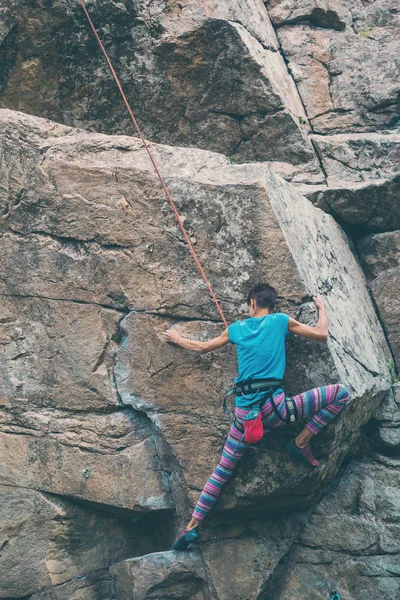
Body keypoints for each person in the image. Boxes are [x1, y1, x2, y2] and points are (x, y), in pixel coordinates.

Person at [162, 283, 350, 550]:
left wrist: (177, 338)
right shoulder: (280, 320)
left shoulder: (236, 329)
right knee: (340, 393)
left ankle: (191, 526)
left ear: (251, 303)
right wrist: (321, 307)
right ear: (272, 306)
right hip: (277, 411)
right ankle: (301, 441)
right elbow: (322, 334)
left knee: (222, 471)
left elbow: (202, 348)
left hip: (244, 418)